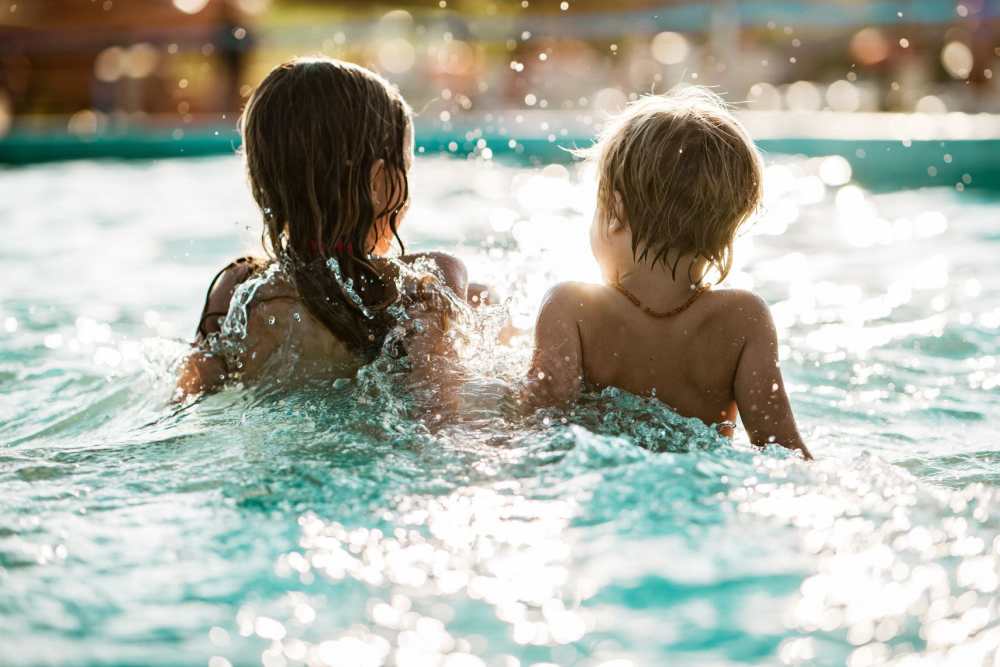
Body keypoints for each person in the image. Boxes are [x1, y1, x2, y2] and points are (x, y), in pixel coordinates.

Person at [525, 87, 811, 459]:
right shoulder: (745, 319)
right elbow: (783, 450)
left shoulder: (571, 307)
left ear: (615, 212)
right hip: (702, 490)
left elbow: (537, 429)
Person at [176, 57, 467, 398]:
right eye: (405, 167)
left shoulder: (237, 289)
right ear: (378, 183)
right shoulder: (425, 279)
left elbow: (187, 399)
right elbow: (438, 412)